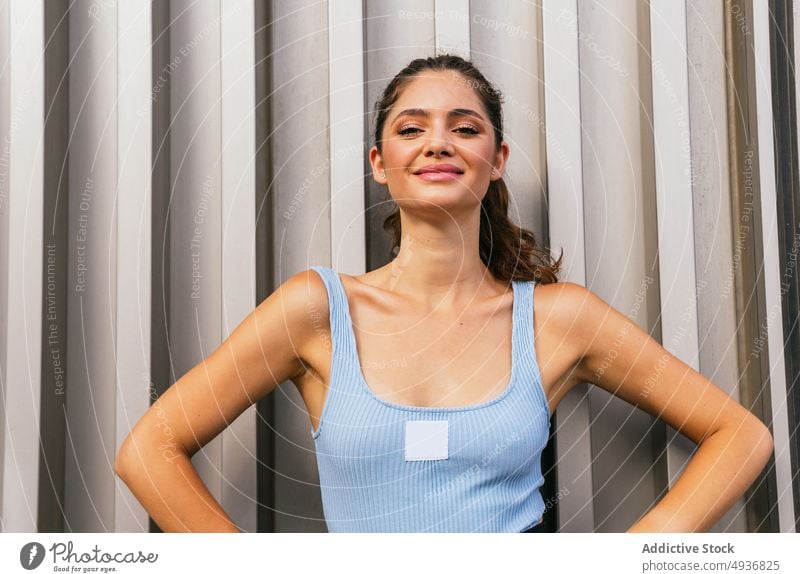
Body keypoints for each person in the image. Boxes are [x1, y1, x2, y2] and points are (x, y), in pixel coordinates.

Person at [114, 53, 774, 533]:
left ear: (498, 159)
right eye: (410, 128)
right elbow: (149, 450)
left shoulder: (558, 320)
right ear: (379, 163)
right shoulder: (316, 310)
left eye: (464, 127)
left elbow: (738, 435)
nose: (438, 142)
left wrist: (632, 561)